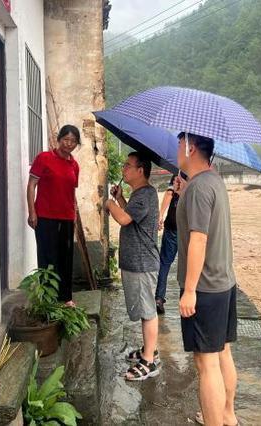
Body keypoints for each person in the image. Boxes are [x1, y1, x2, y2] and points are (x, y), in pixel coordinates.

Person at [176, 132, 239, 426]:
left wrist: (189, 291)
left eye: (180, 144)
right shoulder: (212, 181)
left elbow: (198, 240)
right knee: (223, 351)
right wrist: (183, 194)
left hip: (204, 288)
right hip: (223, 282)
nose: (177, 150)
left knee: (206, 362)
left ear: (190, 147)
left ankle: (216, 420)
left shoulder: (199, 189)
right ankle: (227, 415)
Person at [105, 152, 160, 381]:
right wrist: (119, 199)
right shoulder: (139, 195)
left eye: (128, 166)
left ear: (140, 171)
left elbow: (124, 220)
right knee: (143, 309)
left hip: (142, 263)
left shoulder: (145, 194)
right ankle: (149, 348)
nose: (123, 169)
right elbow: (131, 215)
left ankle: (148, 361)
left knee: (148, 311)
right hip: (137, 262)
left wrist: (109, 203)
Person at [26, 125, 80, 307]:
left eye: (73, 141)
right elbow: (32, 184)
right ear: (59, 139)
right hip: (45, 217)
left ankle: (66, 297)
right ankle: (48, 298)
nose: (69, 144)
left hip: (66, 218)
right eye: (66, 139)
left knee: (66, 257)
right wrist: (32, 211)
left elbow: (71, 192)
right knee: (47, 256)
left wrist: (74, 216)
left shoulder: (74, 165)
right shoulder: (44, 158)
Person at [154, 174, 180, 314]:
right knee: (189, 265)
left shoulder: (178, 173)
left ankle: (159, 298)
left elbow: (169, 193)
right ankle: (190, 298)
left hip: (172, 227)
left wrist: (160, 216)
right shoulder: (196, 176)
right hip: (188, 230)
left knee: (165, 264)